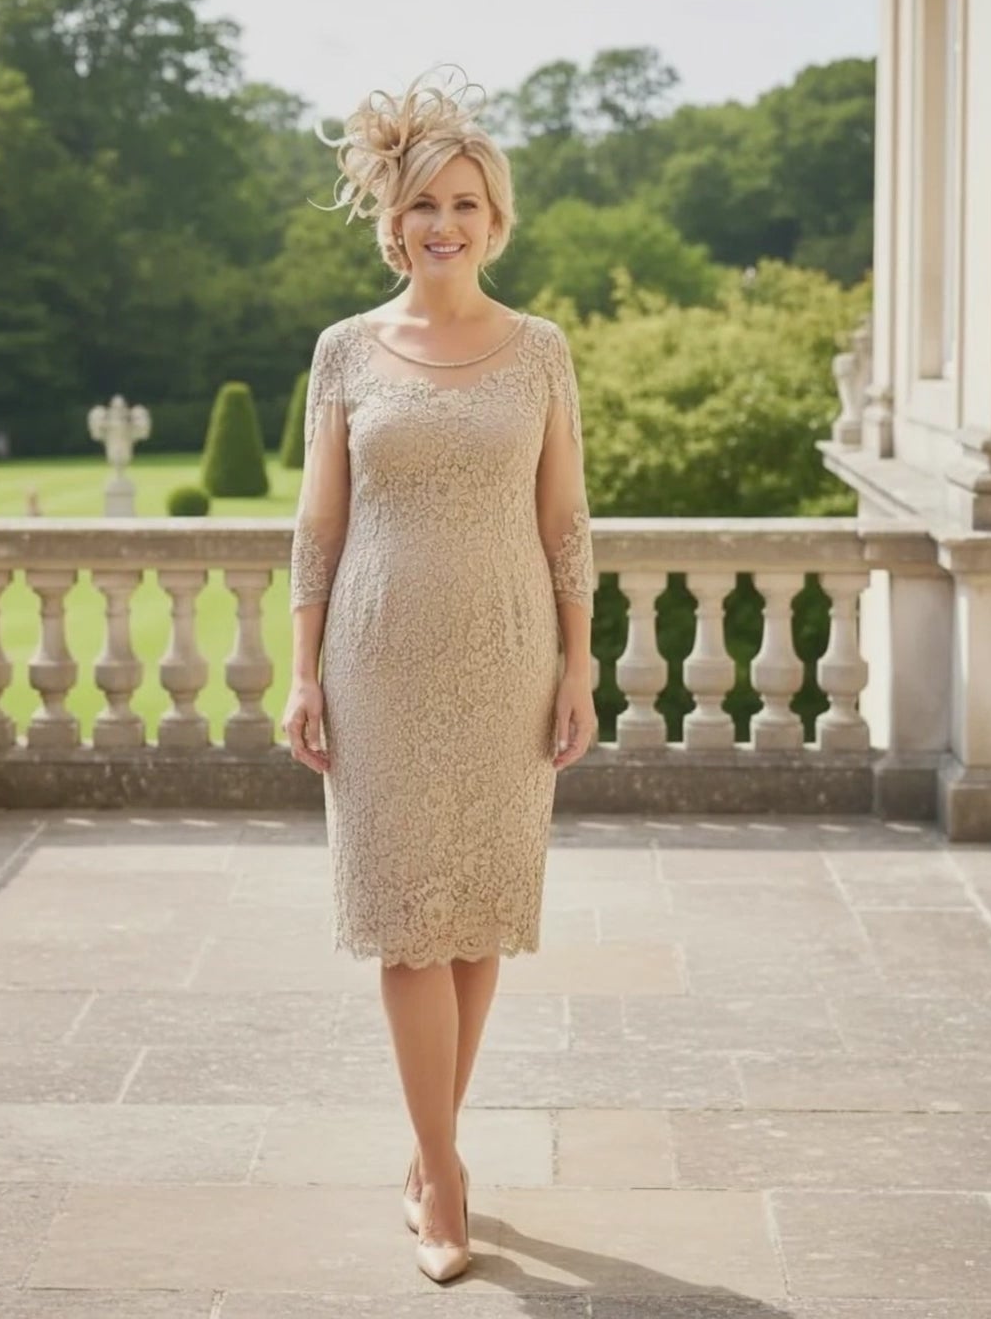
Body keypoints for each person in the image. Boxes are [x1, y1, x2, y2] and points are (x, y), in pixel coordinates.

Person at [281, 65, 596, 1284]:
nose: (445, 226)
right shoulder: (345, 353)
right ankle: (447, 1174)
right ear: (392, 220)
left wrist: (578, 664)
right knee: (408, 924)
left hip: (512, 657)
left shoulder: (542, 351)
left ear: (495, 217)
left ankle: (430, 1150)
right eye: (424, 206)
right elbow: (317, 526)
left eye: (465, 204)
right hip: (376, 660)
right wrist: (300, 674)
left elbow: (567, 518)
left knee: (475, 928)